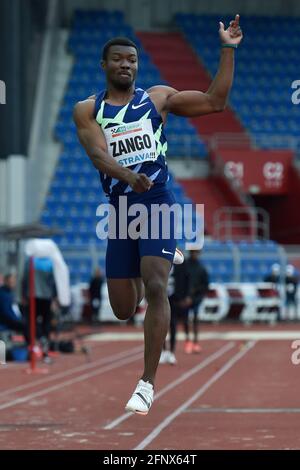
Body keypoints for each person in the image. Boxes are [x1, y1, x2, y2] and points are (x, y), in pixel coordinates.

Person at [73, 15, 243, 415]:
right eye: (118, 60)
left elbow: (215, 101)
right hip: (122, 207)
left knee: (155, 284)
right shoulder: (88, 109)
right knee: (122, 308)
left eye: (131, 59)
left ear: (138, 64)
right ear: (105, 66)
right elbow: (98, 155)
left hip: (158, 200)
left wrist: (228, 49)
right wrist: (128, 177)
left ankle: (147, 383)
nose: (126, 65)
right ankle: (161, 251)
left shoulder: (157, 99)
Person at [184, 250, 209, 354]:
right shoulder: (185, 266)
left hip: (196, 298)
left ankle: (195, 342)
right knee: (185, 319)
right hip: (185, 297)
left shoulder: (201, 268)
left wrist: (197, 293)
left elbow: (205, 284)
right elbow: (181, 281)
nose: (195, 254)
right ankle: (188, 340)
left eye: (197, 253)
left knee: (195, 318)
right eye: (193, 252)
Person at [0, 273, 29, 344]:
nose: (12, 284)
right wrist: (17, 320)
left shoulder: (10, 293)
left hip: (12, 319)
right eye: (10, 282)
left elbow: (13, 308)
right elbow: (6, 311)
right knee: (27, 326)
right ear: (5, 281)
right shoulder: (3, 294)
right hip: (6, 321)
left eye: (13, 282)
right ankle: (30, 345)